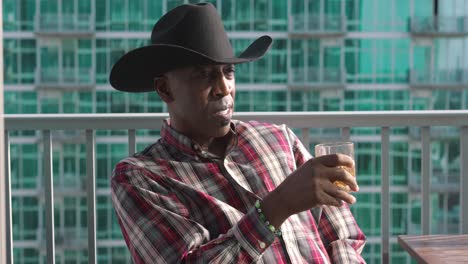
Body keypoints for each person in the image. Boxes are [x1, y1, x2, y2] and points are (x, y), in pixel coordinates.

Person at [109, 3, 366, 263]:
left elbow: (343, 235)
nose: (223, 88)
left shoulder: (279, 139)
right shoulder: (140, 177)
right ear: (164, 89)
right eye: (203, 75)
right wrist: (277, 206)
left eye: (228, 72)